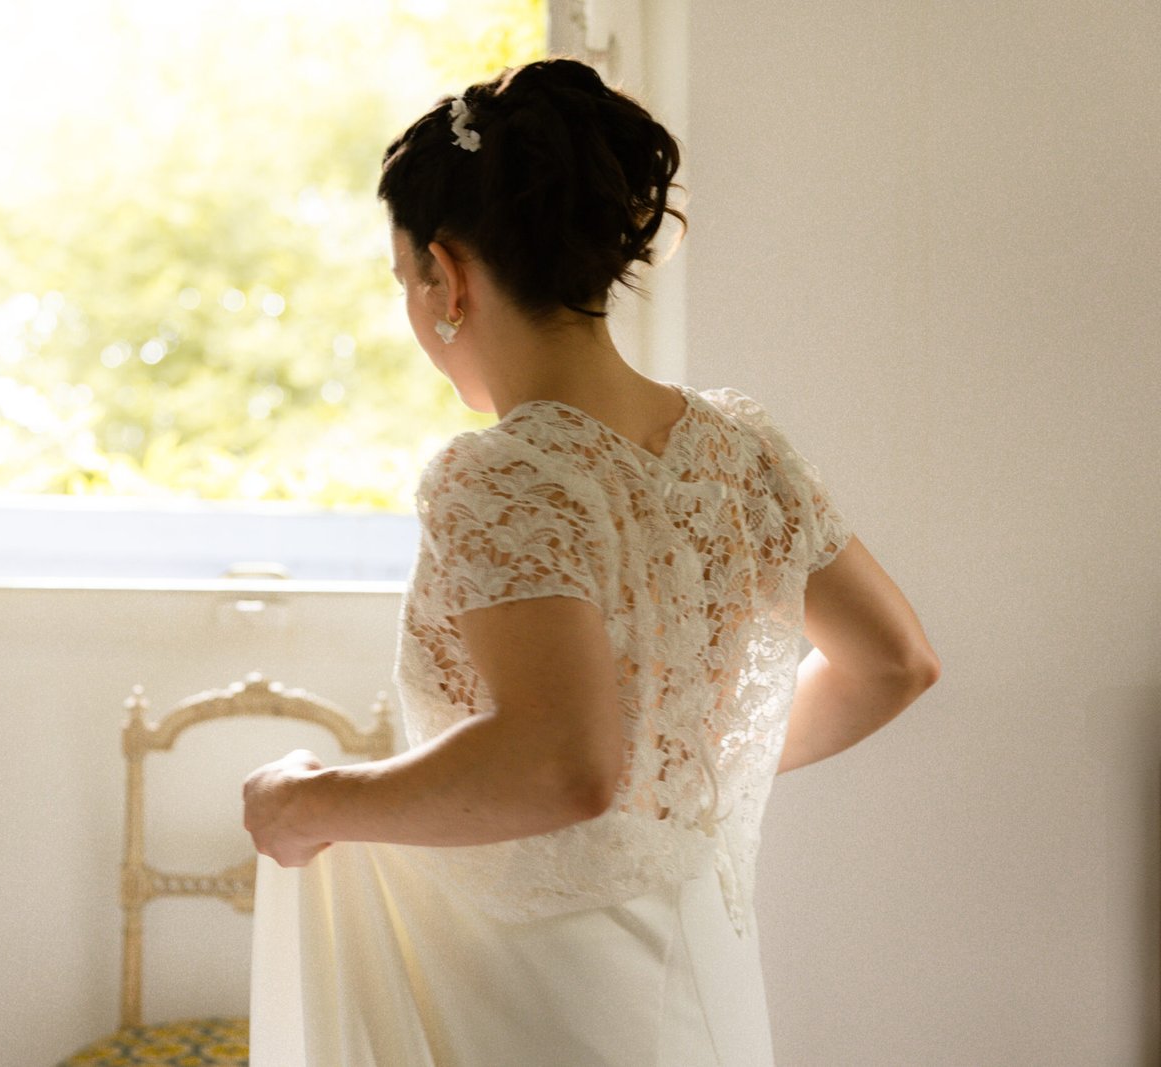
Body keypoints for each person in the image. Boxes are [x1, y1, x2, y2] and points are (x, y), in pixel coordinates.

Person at [241, 57, 940, 1067]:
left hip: (549, 991)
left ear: (446, 275)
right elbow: (894, 662)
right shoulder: (739, 451)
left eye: (405, 279)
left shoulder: (502, 472)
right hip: (702, 943)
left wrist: (308, 800)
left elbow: (560, 766)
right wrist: (688, 769)